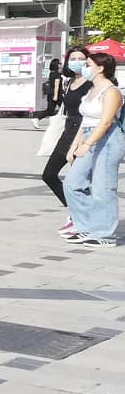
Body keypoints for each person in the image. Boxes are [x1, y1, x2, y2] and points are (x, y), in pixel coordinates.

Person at [63, 51, 123, 247]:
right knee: (72, 183)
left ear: (100, 68)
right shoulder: (91, 90)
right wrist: (75, 144)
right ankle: (86, 226)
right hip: (88, 135)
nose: (83, 67)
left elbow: (105, 122)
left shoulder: (112, 91)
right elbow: (85, 121)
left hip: (107, 139)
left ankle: (105, 234)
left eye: (88, 64)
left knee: (102, 188)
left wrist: (88, 144)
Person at [47, 46, 94, 228]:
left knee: (79, 180)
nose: (77, 61)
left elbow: (87, 114)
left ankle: (83, 217)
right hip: (68, 131)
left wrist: (80, 142)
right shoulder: (69, 82)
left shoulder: (91, 84)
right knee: (49, 175)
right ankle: (76, 212)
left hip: (82, 132)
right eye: (73, 58)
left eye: (81, 58)